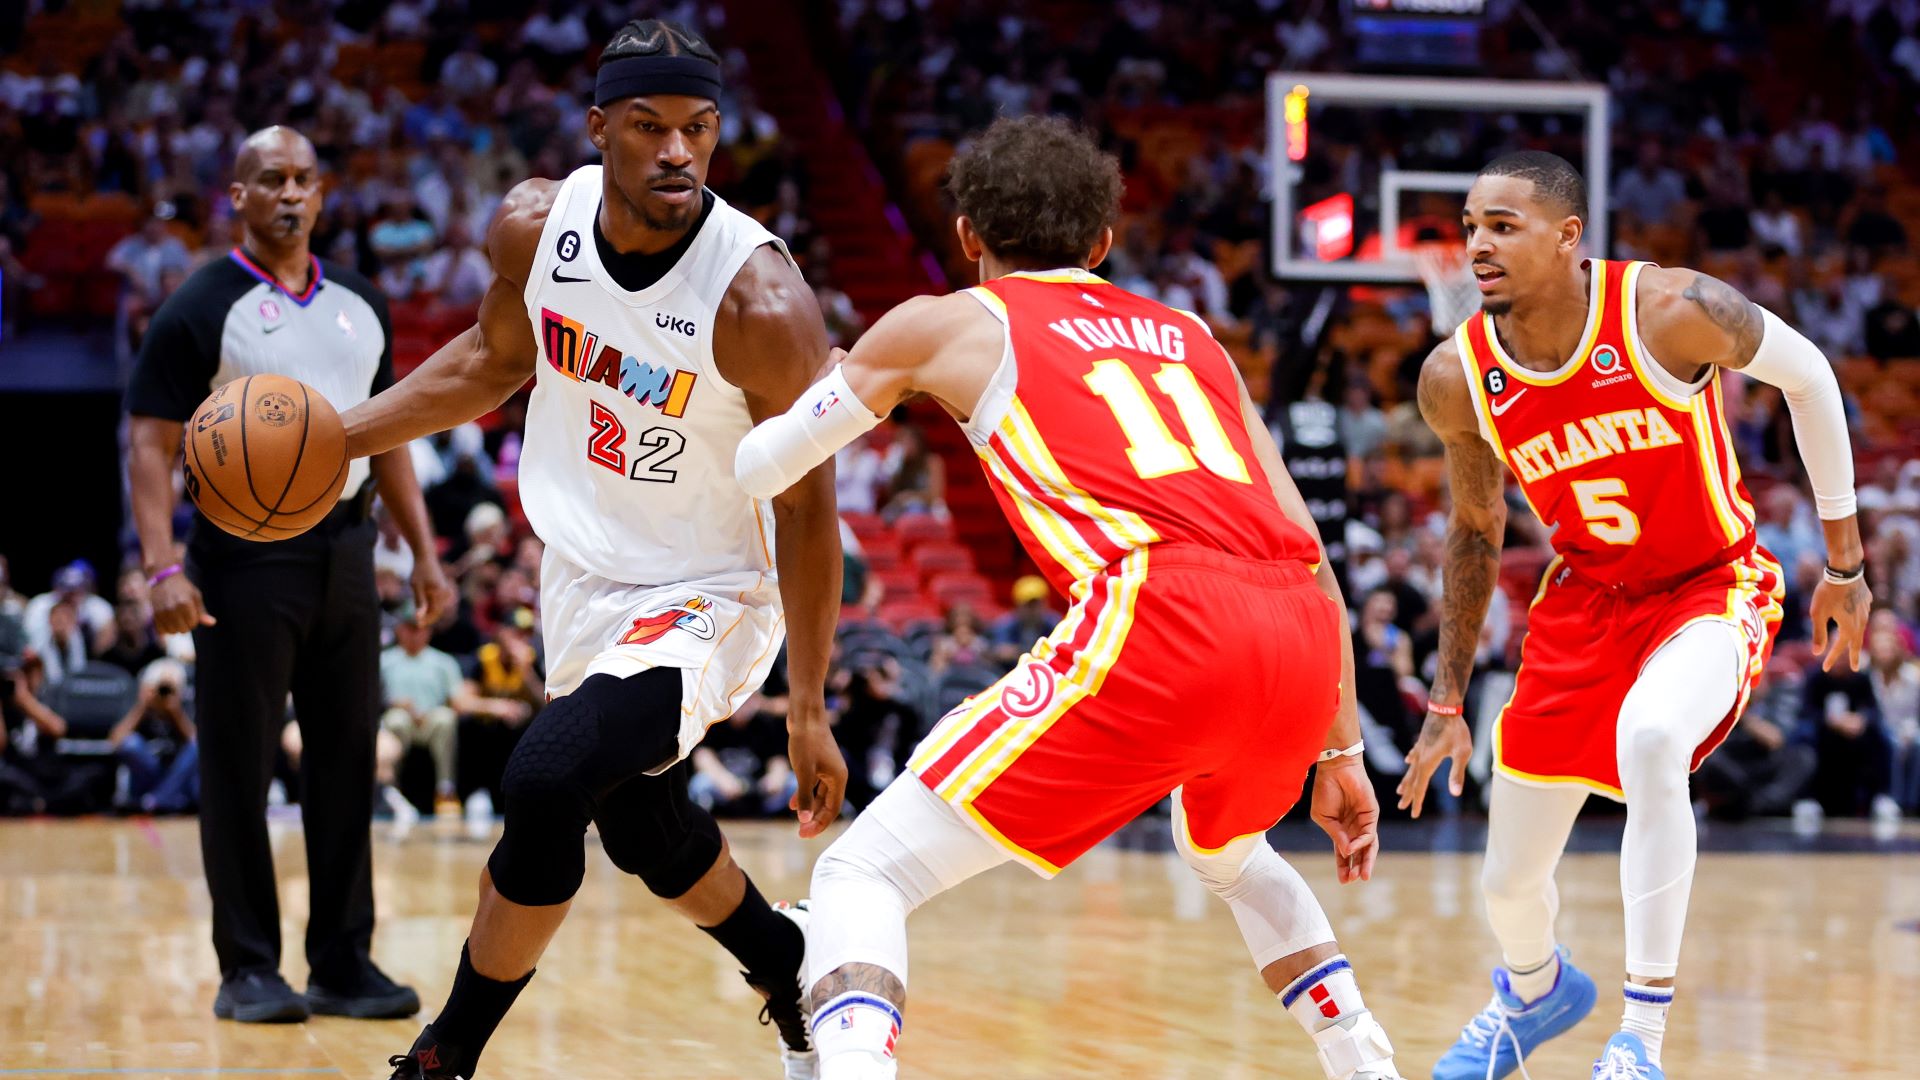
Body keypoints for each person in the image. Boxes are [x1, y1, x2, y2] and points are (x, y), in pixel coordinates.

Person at [736, 115, 1401, 1080]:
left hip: (1162, 613)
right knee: (1223, 854)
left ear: (967, 236)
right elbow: (1311, 554)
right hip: (1297, 626)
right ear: (1103, 243)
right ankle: (1368, 1064)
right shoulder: (1195, 338)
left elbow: (765, 468)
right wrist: (1340, 745)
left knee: (862, 870)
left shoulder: (947, 321)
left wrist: (809, 388)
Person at [335, 21, 846, 1080]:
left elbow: (808, 512)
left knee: (548, 776)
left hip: (710, 590)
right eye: (652, 127)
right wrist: (336, 439)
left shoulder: (760, 300)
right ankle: (791, 962)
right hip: (583, 575)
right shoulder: (536, 226)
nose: (677, 153)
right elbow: (488, 362)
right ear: (598, 129)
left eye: (699, 130)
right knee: (640, 822)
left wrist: (806, 706)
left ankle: (444, 1056)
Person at [1402, 151, 1870, 1080]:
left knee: (1652, 738)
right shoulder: (1457, 378)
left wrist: (1846, 563)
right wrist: (1447, 705)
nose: (1478, 244)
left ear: (1569, 237)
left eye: (1504, 224)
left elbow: (1812, 376)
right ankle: (1535, 996)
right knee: (1508, 884)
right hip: (1584, 607)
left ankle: (1639, 1041)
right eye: (1471, 226)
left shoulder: (1670, 309)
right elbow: (1474, 530)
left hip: (1709, 583)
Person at [124, 125, 452, 1024]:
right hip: (237, 557)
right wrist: (160, 567)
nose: (291, 193)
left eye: (305, 178)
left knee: (347, 756)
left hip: (347, 549)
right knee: (239, 759)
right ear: (238, 194)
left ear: (322, 192)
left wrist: (421, 552)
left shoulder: (360, 301)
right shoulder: (200, 305)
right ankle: (248, 969)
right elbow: (149, 444)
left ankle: (343, 961)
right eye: (271, 179)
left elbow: (388, 440)